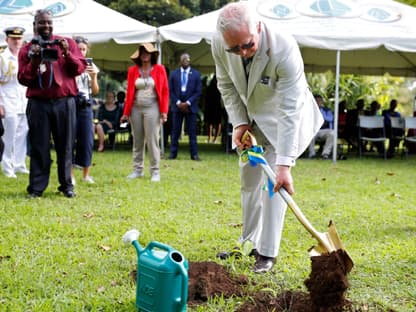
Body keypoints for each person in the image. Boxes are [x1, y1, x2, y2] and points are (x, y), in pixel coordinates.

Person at [211, 2, 323, 273]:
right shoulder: (219, 42)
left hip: (282, 121)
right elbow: (225, 84)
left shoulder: (284, 49)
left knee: (273, 184)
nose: (242, 53)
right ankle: (248, 243)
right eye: (234, 49)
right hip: (250, 120)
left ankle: (267, 253)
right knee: (249, 180)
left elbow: (289, 110)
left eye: (247, 45)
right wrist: (239, 122)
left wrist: (285, 164)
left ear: (258, 28)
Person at [18, 10, 86, 198]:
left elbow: (79, 68)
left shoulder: (68, 43)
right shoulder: (27, 49)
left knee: (65, 145)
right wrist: (34, 61)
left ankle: (66, 185)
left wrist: (66, 53)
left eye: (48, 22)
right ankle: (37, 187)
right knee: (39, 145)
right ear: (35, 26)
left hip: (65, 102)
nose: (46, 26)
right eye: (41, 23)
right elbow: (23, 79)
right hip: (39, 103)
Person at [120, 43, 168, 182]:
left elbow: (165, 91)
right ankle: (137, 170)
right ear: (139, 55)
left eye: (147, 52)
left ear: (152, 55)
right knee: (137, 139)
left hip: (152, 107)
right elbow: (129, 92)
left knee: (152, 140)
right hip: (136, 107)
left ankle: (155, 172)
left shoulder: (160, 69)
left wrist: (164, 111)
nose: (145, 55)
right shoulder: (133, 70)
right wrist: (126, 112)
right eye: (142, 52)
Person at [0, 26, 29, 178]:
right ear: (7, 40)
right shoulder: (2, 57)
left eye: (19, 38)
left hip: (23, 98)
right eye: (13, 38)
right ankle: (7, 166)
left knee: (23, 132)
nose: (17, 41)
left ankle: (19, 164)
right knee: (9, 135)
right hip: (7, 98)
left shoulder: (25, 56)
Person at [72, 36, 99, 184]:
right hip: (71, 102)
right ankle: (70, 174)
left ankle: (86, 174)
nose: (81, 52)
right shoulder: (68, 64)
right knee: (70, 138)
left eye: (84, 49)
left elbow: (95, 91)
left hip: (86, 104)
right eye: (79, 49)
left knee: (87, 139)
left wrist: (93, 76)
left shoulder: (91, 66)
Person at [168, 53, 202, 161]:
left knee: (192, 132)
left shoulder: (196, 74)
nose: (185, 61)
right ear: (180, 61)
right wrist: (178, 102)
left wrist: (188, 102)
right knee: (175, 131)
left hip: (191, 107)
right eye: (183, 59)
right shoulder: (174, 74)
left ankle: (194, 154)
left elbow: (198, 91)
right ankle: (173, 154)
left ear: (190, 60)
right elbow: (170, 90)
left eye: (187, 59)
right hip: (177, 106)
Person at [308, 94, 334, 160]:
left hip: (325, 130)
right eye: (316, 101)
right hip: (313, 130)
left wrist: (320, 113)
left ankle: (325, 154)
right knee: (309, 133)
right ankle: (312, 154)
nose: (318, 102)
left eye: (319, 101)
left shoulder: (327, 110)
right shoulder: (309, 110)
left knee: (333, 133)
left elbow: (330, 119)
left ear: (322, 102)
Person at [205, 74, 223, 144]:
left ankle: (213, 138)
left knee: (216, 123)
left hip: (215, 106)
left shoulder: (219, 87)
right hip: (213, 106)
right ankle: (212, 138)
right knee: (213, 123)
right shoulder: (211, 87)